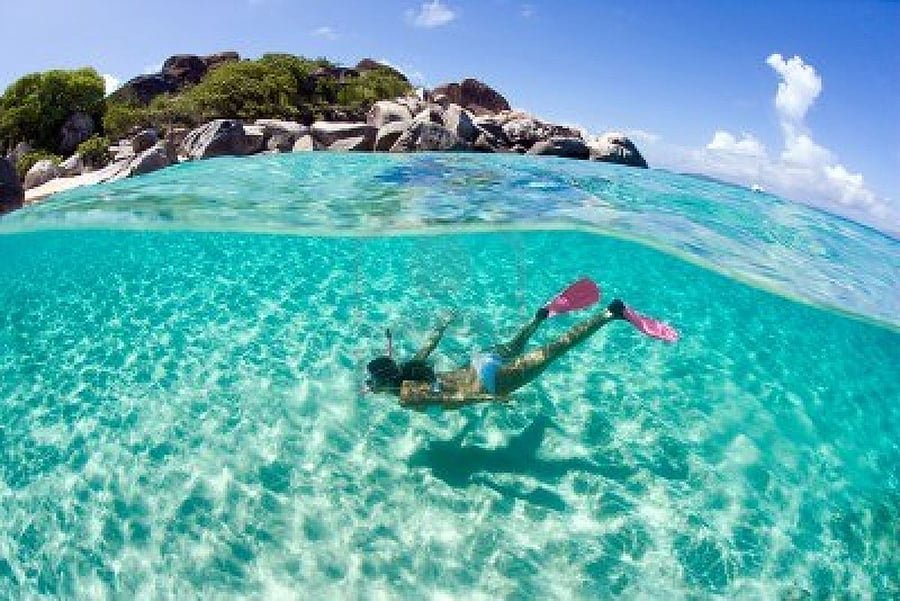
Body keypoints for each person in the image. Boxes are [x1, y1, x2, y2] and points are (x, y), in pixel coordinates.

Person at [365, 296, 632, 409]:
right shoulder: (410, 367)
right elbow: (429, 344)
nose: (369, 384)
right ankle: (537, 319)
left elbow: (453, 397)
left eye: (372, 380)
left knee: (556, 349)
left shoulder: (406, 394)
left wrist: (491, 398)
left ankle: (611, 313)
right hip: (479, 362)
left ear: (388, 380)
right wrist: (442, 324)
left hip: (490, 382)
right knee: (516, 346)